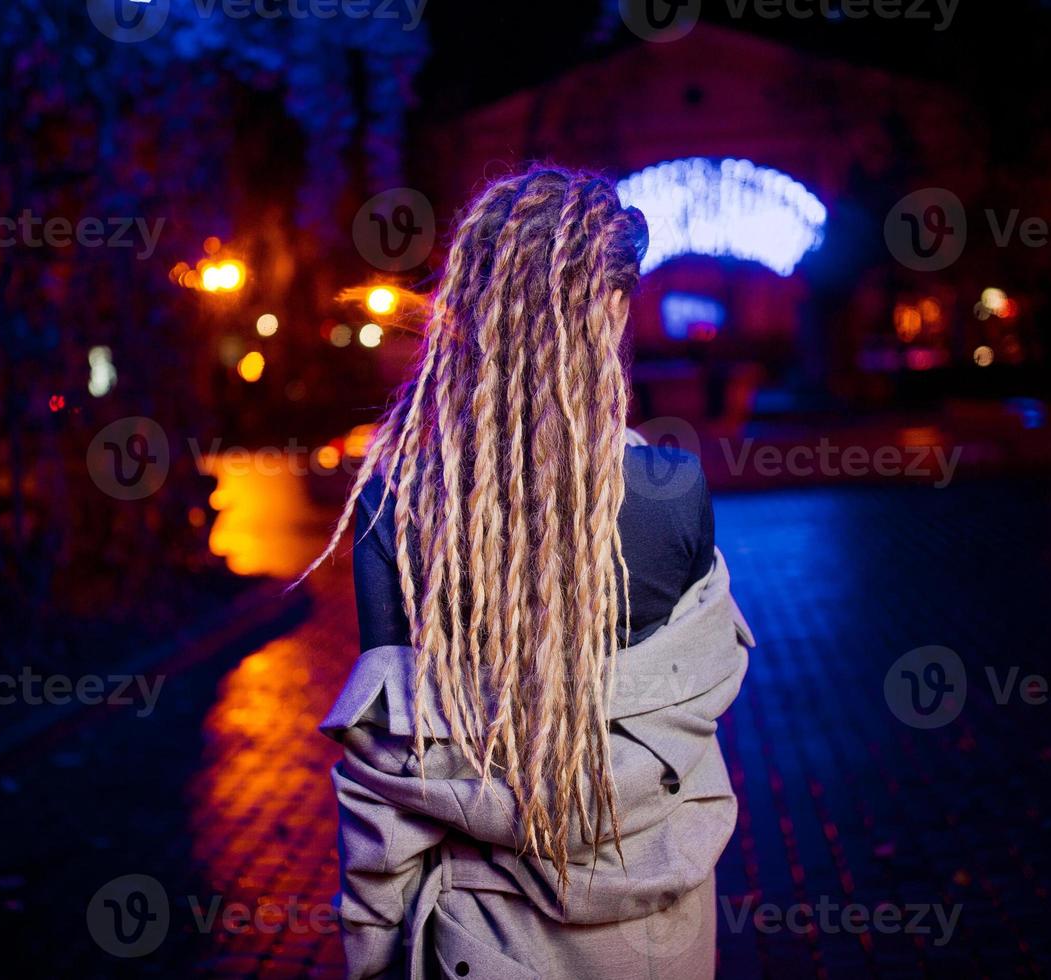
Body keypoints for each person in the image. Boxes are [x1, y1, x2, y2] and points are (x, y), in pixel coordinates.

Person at [299, 166, 754, 979]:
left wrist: (372, 952)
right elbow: (688, 716)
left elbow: (387, 770)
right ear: (609, 309)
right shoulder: (671, 491)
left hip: (483, 945)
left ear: (468, 306)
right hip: (657, 940)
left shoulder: (397, 500)